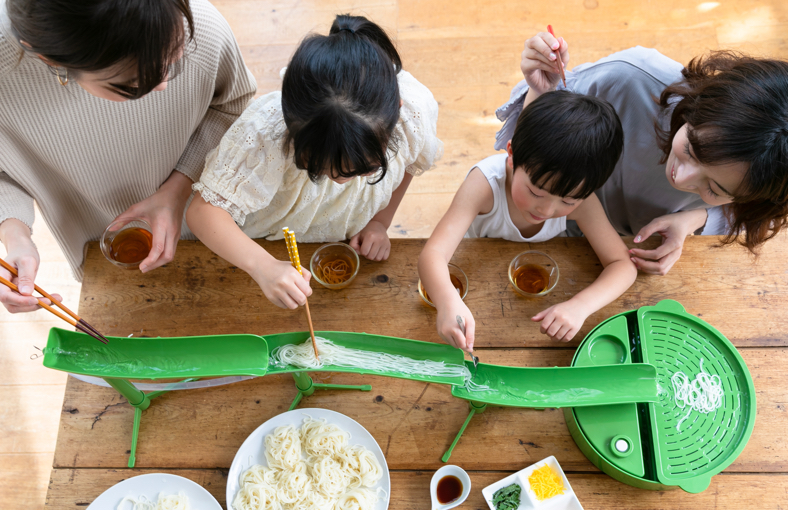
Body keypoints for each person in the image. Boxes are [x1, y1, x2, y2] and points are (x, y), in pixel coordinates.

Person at [0, 0, 256, 313]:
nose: (163, 84)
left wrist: (177, 190)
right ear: (51, 61)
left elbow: (231, 106)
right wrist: (16, 236)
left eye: (176, 59)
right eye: (132, 85)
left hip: (221, 216)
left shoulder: (198, 22)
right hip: (107, 247)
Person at [187, 14, 442, 310]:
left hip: (339, 236)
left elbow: (411, 165)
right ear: (290, 128)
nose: (340, 181)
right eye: (320, 169)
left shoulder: (414, 113)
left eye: (364, 169)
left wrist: (379, 222)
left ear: (396, 113)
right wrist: (262, 266)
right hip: (258, 247)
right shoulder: (265, 132)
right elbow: (203, 213)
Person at [496, 33, 788, 275]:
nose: (681, 178)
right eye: (691, 149)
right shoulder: (629, 79)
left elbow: (760, 218)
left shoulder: (767, 190)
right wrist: (540, 92)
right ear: (700, 105)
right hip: (554, 231)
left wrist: (693, 220)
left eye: (713, 188)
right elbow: (531, 150)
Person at [418, 90, 636, 350]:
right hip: (477, 270)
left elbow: (623, 265)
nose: (546, 209)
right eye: (535, 192)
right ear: (511, 155)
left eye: (567, 202)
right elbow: (432, 255)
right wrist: (446, 301)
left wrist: (581, 306)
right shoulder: (484, 185)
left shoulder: (582, 201)